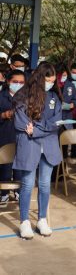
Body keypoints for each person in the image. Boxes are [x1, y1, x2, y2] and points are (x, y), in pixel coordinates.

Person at [13, 63, 63, 239]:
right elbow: (20, 122)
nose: (50, 84)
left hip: (48, 145)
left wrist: (36, 129)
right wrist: (41, 128)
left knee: (44, 184)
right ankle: (24, 222)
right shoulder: (23, 95)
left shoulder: (54, 97)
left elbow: (56, 122)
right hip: (29, 144)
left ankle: (42, 219)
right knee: (27, 184)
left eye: (52, 81)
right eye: (47, 80)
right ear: (39, 78)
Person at [0, 70, 25, 206]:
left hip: (21, 137)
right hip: (4, 136)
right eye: (15, 82)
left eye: (21, 82)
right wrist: (3, 115)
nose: (18, 85)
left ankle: (18, 191)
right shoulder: (1, 97)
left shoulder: (26, 97)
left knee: (20, 167)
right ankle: (3, 194)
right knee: (5, 167)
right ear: (8, 81)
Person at [56, 64, 76, 131]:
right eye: (62, 75)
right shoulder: (52, 86)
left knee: (68, 139)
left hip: (67, 119)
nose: (63, 77)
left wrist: (71, 105)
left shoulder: (70, 85)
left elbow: (75, 100)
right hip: (55, 120)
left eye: (65, 75)